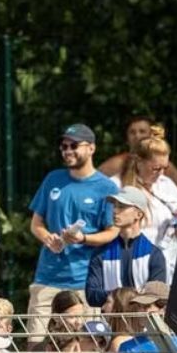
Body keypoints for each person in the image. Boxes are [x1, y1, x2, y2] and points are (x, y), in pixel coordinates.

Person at [27, 123, 118, 341]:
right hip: (47, 276)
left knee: (88, 346)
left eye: (74, 145)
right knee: (35, 346)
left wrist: (83, 238)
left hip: (85, 281)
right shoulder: (53, 179)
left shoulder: (107, 188)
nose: (67, 151)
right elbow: (36, 223)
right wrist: (47, 238)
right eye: (63, 146)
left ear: (91, 148)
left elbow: (113, 231)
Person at [114, 127, 177, 283]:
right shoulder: (118, 185)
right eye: (155, 168)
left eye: (164, 168)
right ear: (138, 162)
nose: (161, 174)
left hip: (167, 266)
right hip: (133, 266)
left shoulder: (166, 184)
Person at [85, 186, 167, 307]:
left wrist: (114, 296)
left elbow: (156, 297)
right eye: (115, 206)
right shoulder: (100, 253)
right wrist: (131, 295)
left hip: (142, 324)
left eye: (122, 206)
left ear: (138, 214)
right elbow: (92, 296)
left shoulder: (154, 254)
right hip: (111, 324)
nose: (114, 211)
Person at [98, 115, 177, 200]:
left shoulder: (167, 167)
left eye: (142, 131)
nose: (137, 136)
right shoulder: (114, 165)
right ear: (127, 138)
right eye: (132, 132)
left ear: (151, 136)